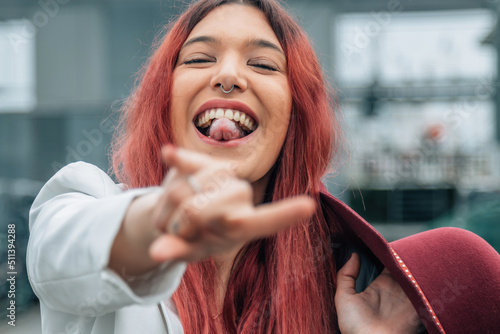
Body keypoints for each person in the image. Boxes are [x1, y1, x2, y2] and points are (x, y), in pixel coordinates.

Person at [27, 0, 500, 333]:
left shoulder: (339, 290)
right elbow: (59, 255)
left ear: (295, 118)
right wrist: (155, 227)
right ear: (162, 101)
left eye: (265, 65)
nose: (229, 75)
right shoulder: (86, 198)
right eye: (199, 57)